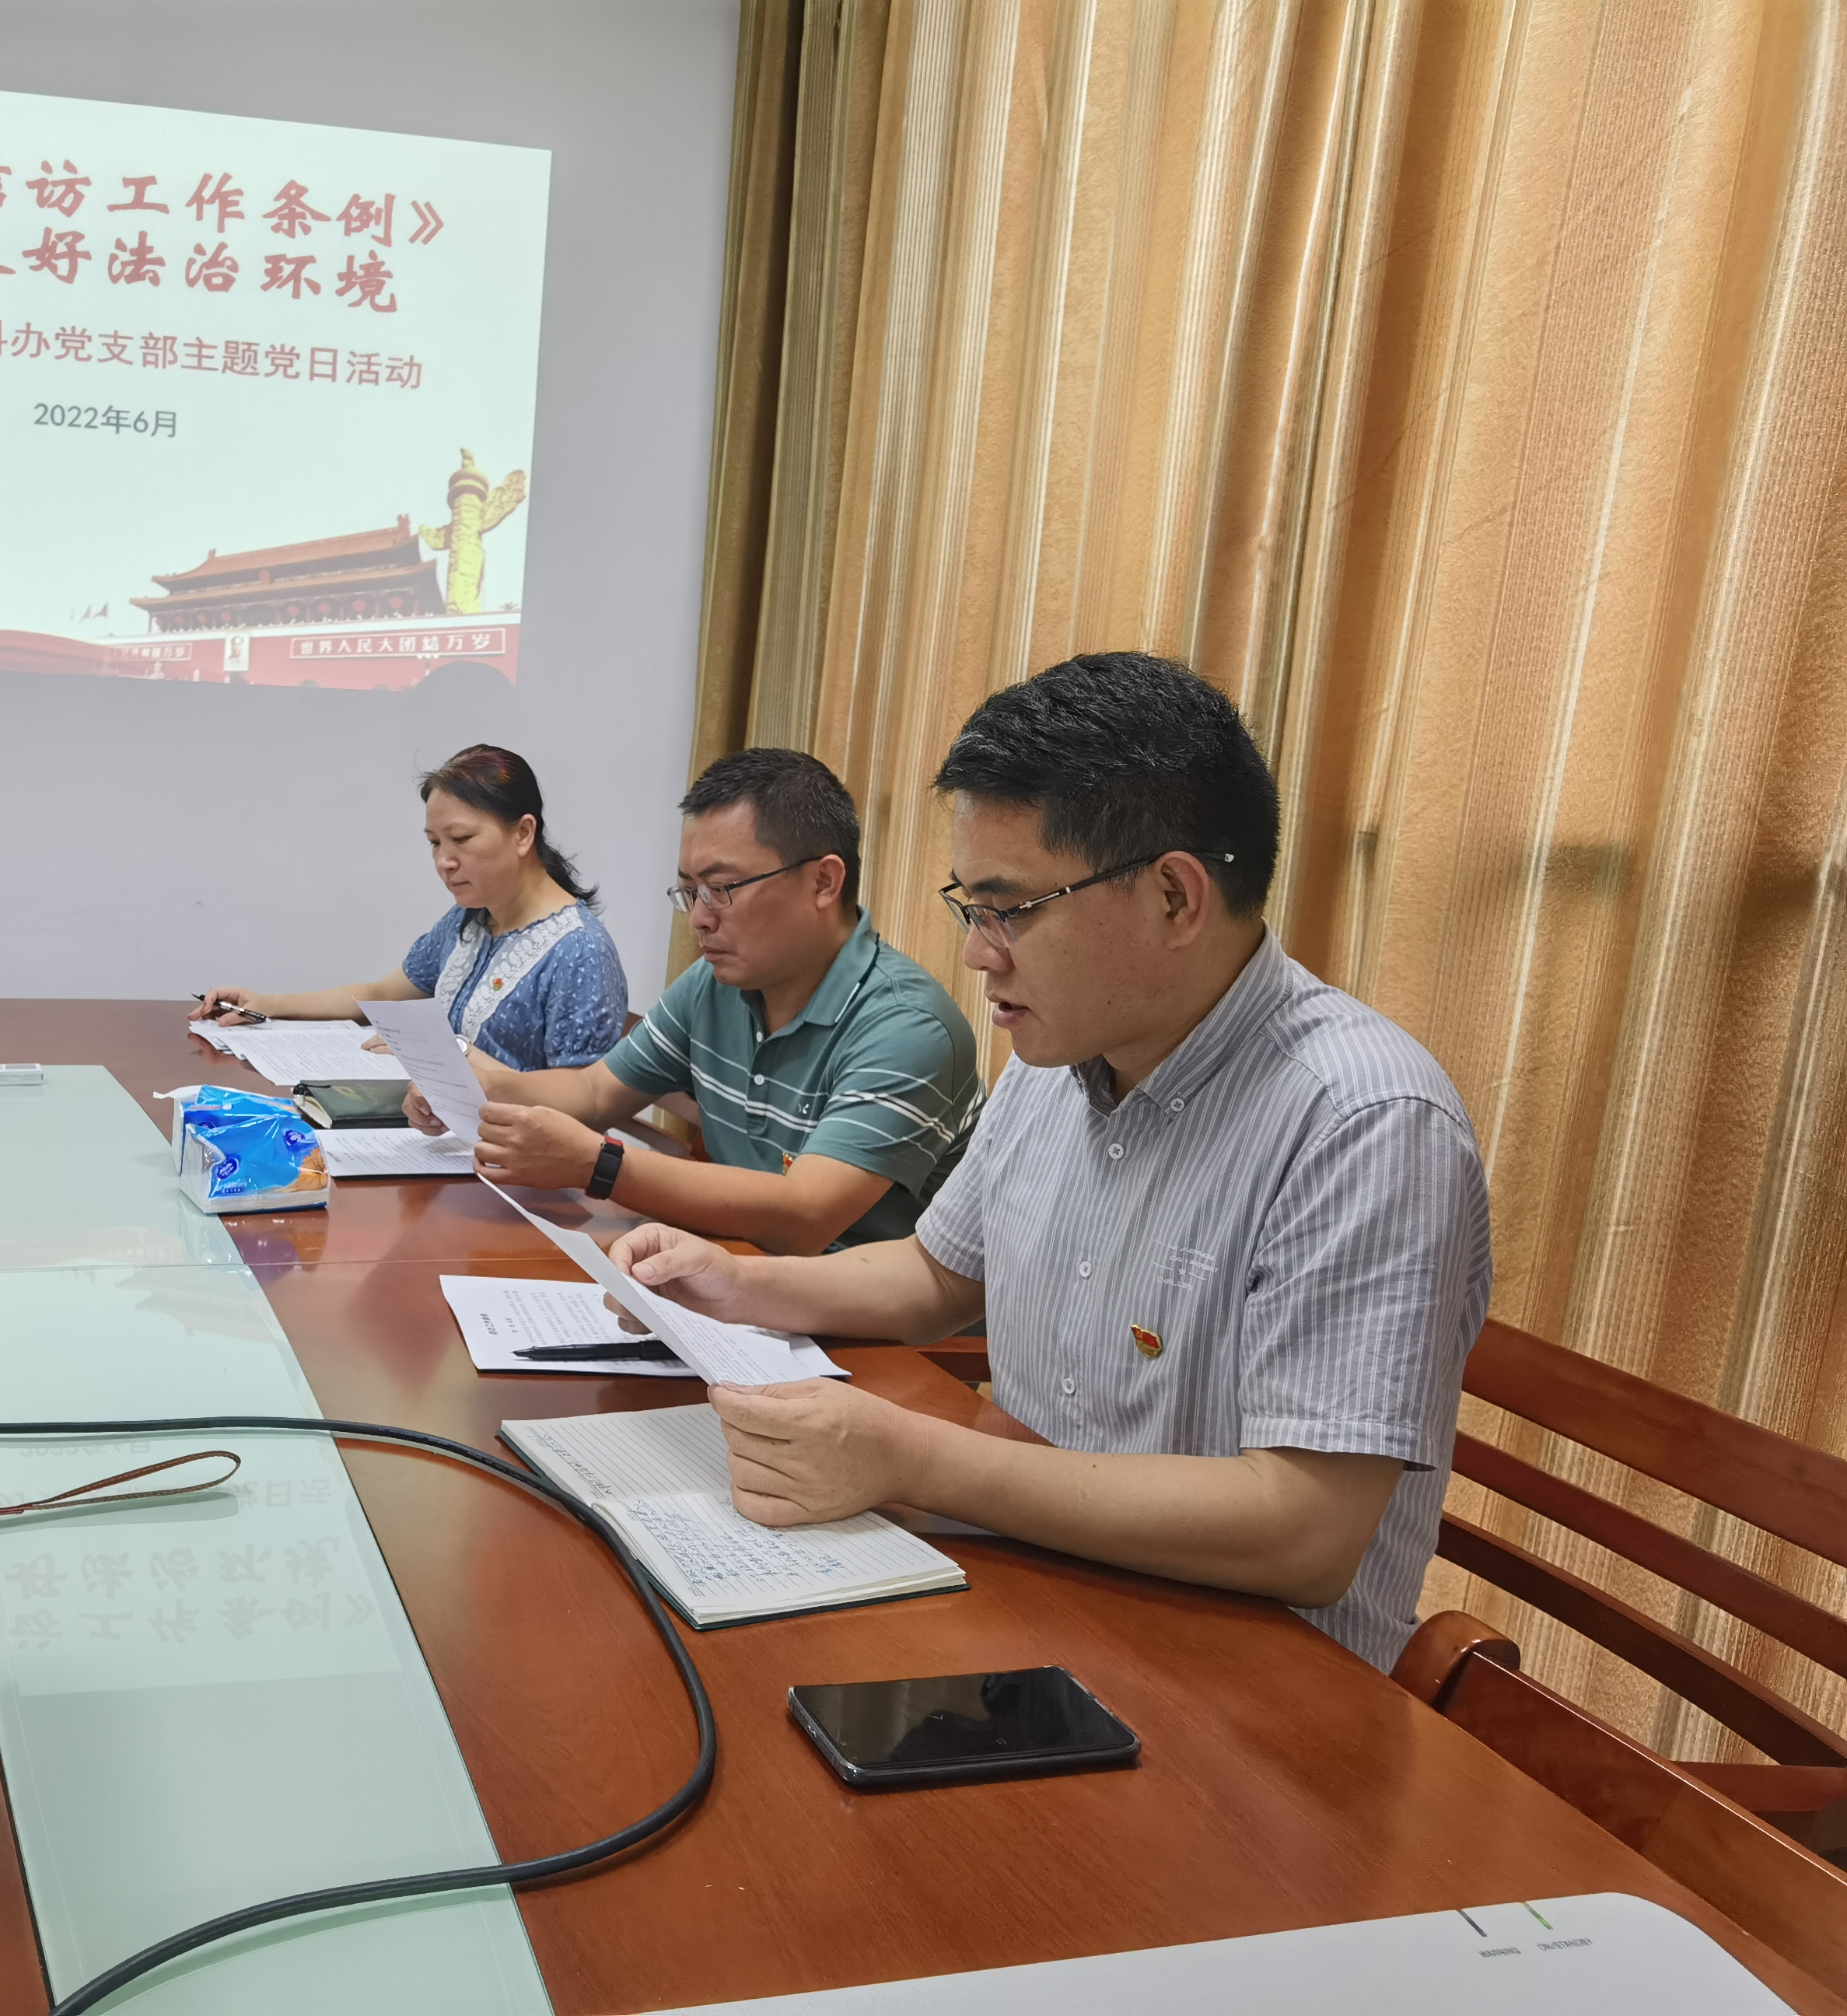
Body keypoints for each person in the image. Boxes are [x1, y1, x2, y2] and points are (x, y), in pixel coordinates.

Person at [610, 653, 1490, 1672]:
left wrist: (910, 1458)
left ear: (1174, 896)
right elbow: (939, 1275)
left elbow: (1305, 1529)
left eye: (1012, 908)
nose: (978, 952)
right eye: (970, 907)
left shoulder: (1364, 1121)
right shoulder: (1060, 1053)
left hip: (1243, 1681)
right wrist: (737, 1286)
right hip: (1032, 1596)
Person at [414, 747, 982, 1257]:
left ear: (823, 883)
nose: (701, 918)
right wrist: (473, 1090)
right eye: (690, 892)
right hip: (734, 1269)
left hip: (854, 1318)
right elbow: (595, 1091)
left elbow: (806, 1217)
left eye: (723, 889)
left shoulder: (906, 1025)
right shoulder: (715, 983)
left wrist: (599, 1165)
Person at [194, 744, 627, 1071]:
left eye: (462, 839)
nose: (444, 861)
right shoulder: (471, 920)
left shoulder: (579, 951)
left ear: (523, 833)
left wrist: (450, 1054)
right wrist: (268, 1004)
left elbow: (583, 1102)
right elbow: (382, 995)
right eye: (435, 843)